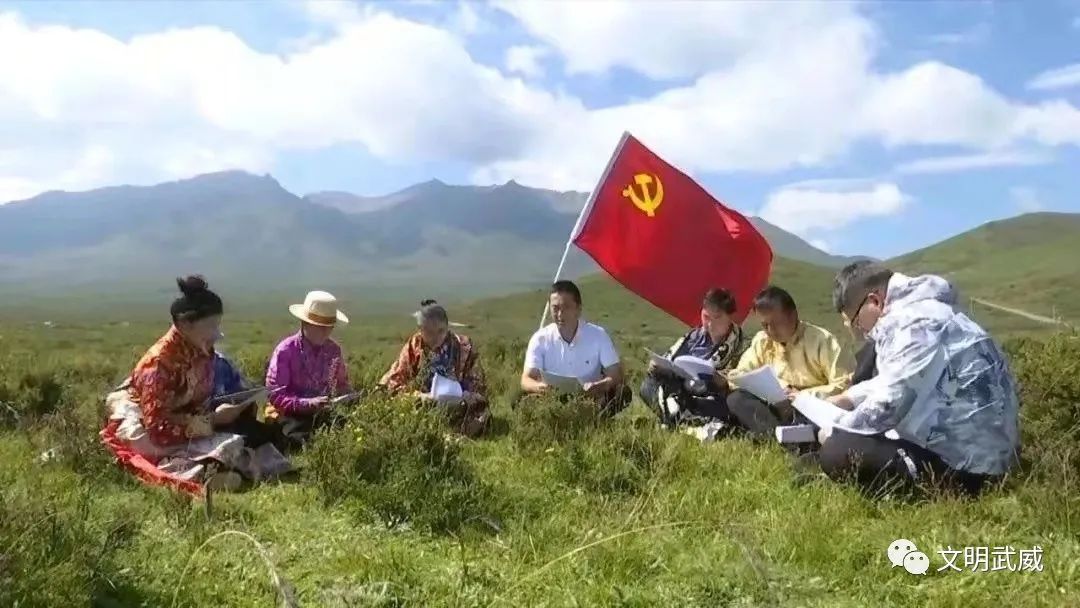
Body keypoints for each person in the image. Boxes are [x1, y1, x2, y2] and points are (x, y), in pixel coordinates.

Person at [818, 263, 1020, 497]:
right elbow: (898, 378)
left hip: (968, 468)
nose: (860, 330)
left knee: (837, 451)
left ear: (874, 301)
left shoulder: (913, 326)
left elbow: (887, 406)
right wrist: (849, 398)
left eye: (855, 321)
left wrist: (835, 426)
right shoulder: (932, 312)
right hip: (989, 454)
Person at [100, 276, 291, 494]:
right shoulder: (158, 364)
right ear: (185, 325)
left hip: (191, 422)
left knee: (241, 438)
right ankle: (205, 472)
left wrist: (225, 411)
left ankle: (213, 469)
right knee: (148, 448)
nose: (216, 333)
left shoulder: (202, 350)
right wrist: (213, 420)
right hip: (148, 424)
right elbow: (158, 428)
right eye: (210, 326)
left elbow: (198, 401)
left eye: (217, 325)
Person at [726, 286, 853, 439]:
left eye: (776, 323)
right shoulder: (762, 341)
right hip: (774, 406)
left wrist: (800, 396)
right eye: (765, 325)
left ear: (793, 315)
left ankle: (781, 436)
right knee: (736, 399)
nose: (771, 330)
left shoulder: (823, 341)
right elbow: (740, 374)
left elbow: (844, 385)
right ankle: (779, 436)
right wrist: (781, 388)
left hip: (810, 407)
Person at [639, 287, 748, 429]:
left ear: (730, 317)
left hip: (709, 395)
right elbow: (670, 358)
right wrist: (658, 366)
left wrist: (719, 380)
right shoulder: (694, 336)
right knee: (648, 385)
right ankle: (679, 416)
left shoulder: (740, 344)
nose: (710, 324)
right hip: (680, 387)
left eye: (717, 318)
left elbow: (736, 380)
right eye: (706, 317)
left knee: (714, 402)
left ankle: (673, 417)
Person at [519, 280, 632, 416]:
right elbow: (526, 379)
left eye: (566, 307)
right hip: (551, 398)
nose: (560, 314)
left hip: (591, 398)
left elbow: (616, 374)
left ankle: (594, 419)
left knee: (622, 392)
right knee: (517, 398)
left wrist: (601, 385)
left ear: (578, 309)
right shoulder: (540, 338)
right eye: (555, 308)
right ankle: (554, 419)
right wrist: (540, 387)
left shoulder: (598, 335)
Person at [379, 300, 490, 437]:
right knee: (395, 406)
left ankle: (456, 430)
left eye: (441, 331)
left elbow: (478, 384)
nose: (436, 338)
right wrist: (420, 396)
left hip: (459, 404)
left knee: (480, 412)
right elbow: (393, 382)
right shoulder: (414, 347)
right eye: (429, 332)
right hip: (423, 402)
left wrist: (467, 395)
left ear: (447, 328)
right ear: (420, 330)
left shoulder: (463, 346)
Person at [265, 290, 354, 450]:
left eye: (329, 327)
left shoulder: (334, 350)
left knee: (349, 430)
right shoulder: (285, 350)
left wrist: (348, 395)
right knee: (297, 440)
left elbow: (341, 384)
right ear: (305, 323)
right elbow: (275, 395)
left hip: (324, 412)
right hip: (290, 414)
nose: (325, 332)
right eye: (320, 327)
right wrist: (307, 404)